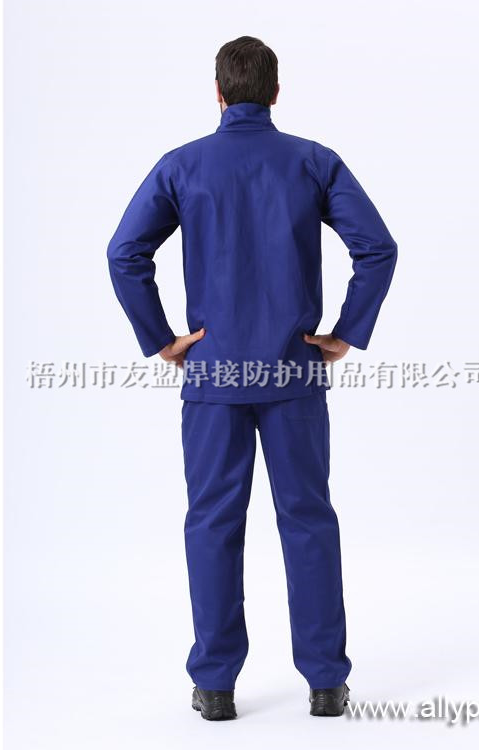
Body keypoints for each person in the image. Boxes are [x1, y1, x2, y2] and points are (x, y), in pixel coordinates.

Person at [107, 35, 397, 720]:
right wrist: (346, 332)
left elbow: (125, 252)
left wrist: (163, 340)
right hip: (294, 371)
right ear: (275, 92)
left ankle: (215, 687)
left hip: (213, 377)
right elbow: (377, 247)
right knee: (308, 520)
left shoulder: (182, 166)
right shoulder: (313, 162)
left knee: (212, 523)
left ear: (217, 93)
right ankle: (326, 683)